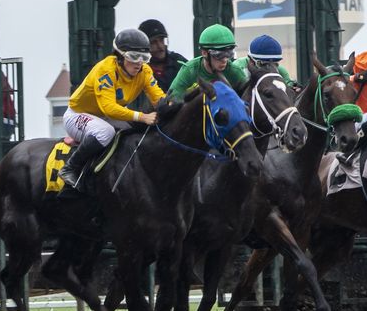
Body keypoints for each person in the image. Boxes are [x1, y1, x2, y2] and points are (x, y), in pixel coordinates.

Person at [60, 27, 164, 196]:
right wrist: (142, 116)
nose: (139, 63)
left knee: (136, 129)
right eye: (133, 57)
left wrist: (173, 104)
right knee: (105, 132)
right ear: (120, 56)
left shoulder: (145, 71)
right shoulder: (105, 70)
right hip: (77, 115)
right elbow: (108, 107)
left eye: (143, 58)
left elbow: (158, 98)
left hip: (104, 116)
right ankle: (70, 168)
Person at [165, 23, 247, 98]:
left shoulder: (235, 72)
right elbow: (172, 99)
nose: (225, 60)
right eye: (219, 55)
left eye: (229, 54)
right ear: (204, 53)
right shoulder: (189, 70)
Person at [140, 18, 186, 92]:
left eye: (162, 40)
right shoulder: (138, 69)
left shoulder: (178, 62)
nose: (160, 46)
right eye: (153, 42)